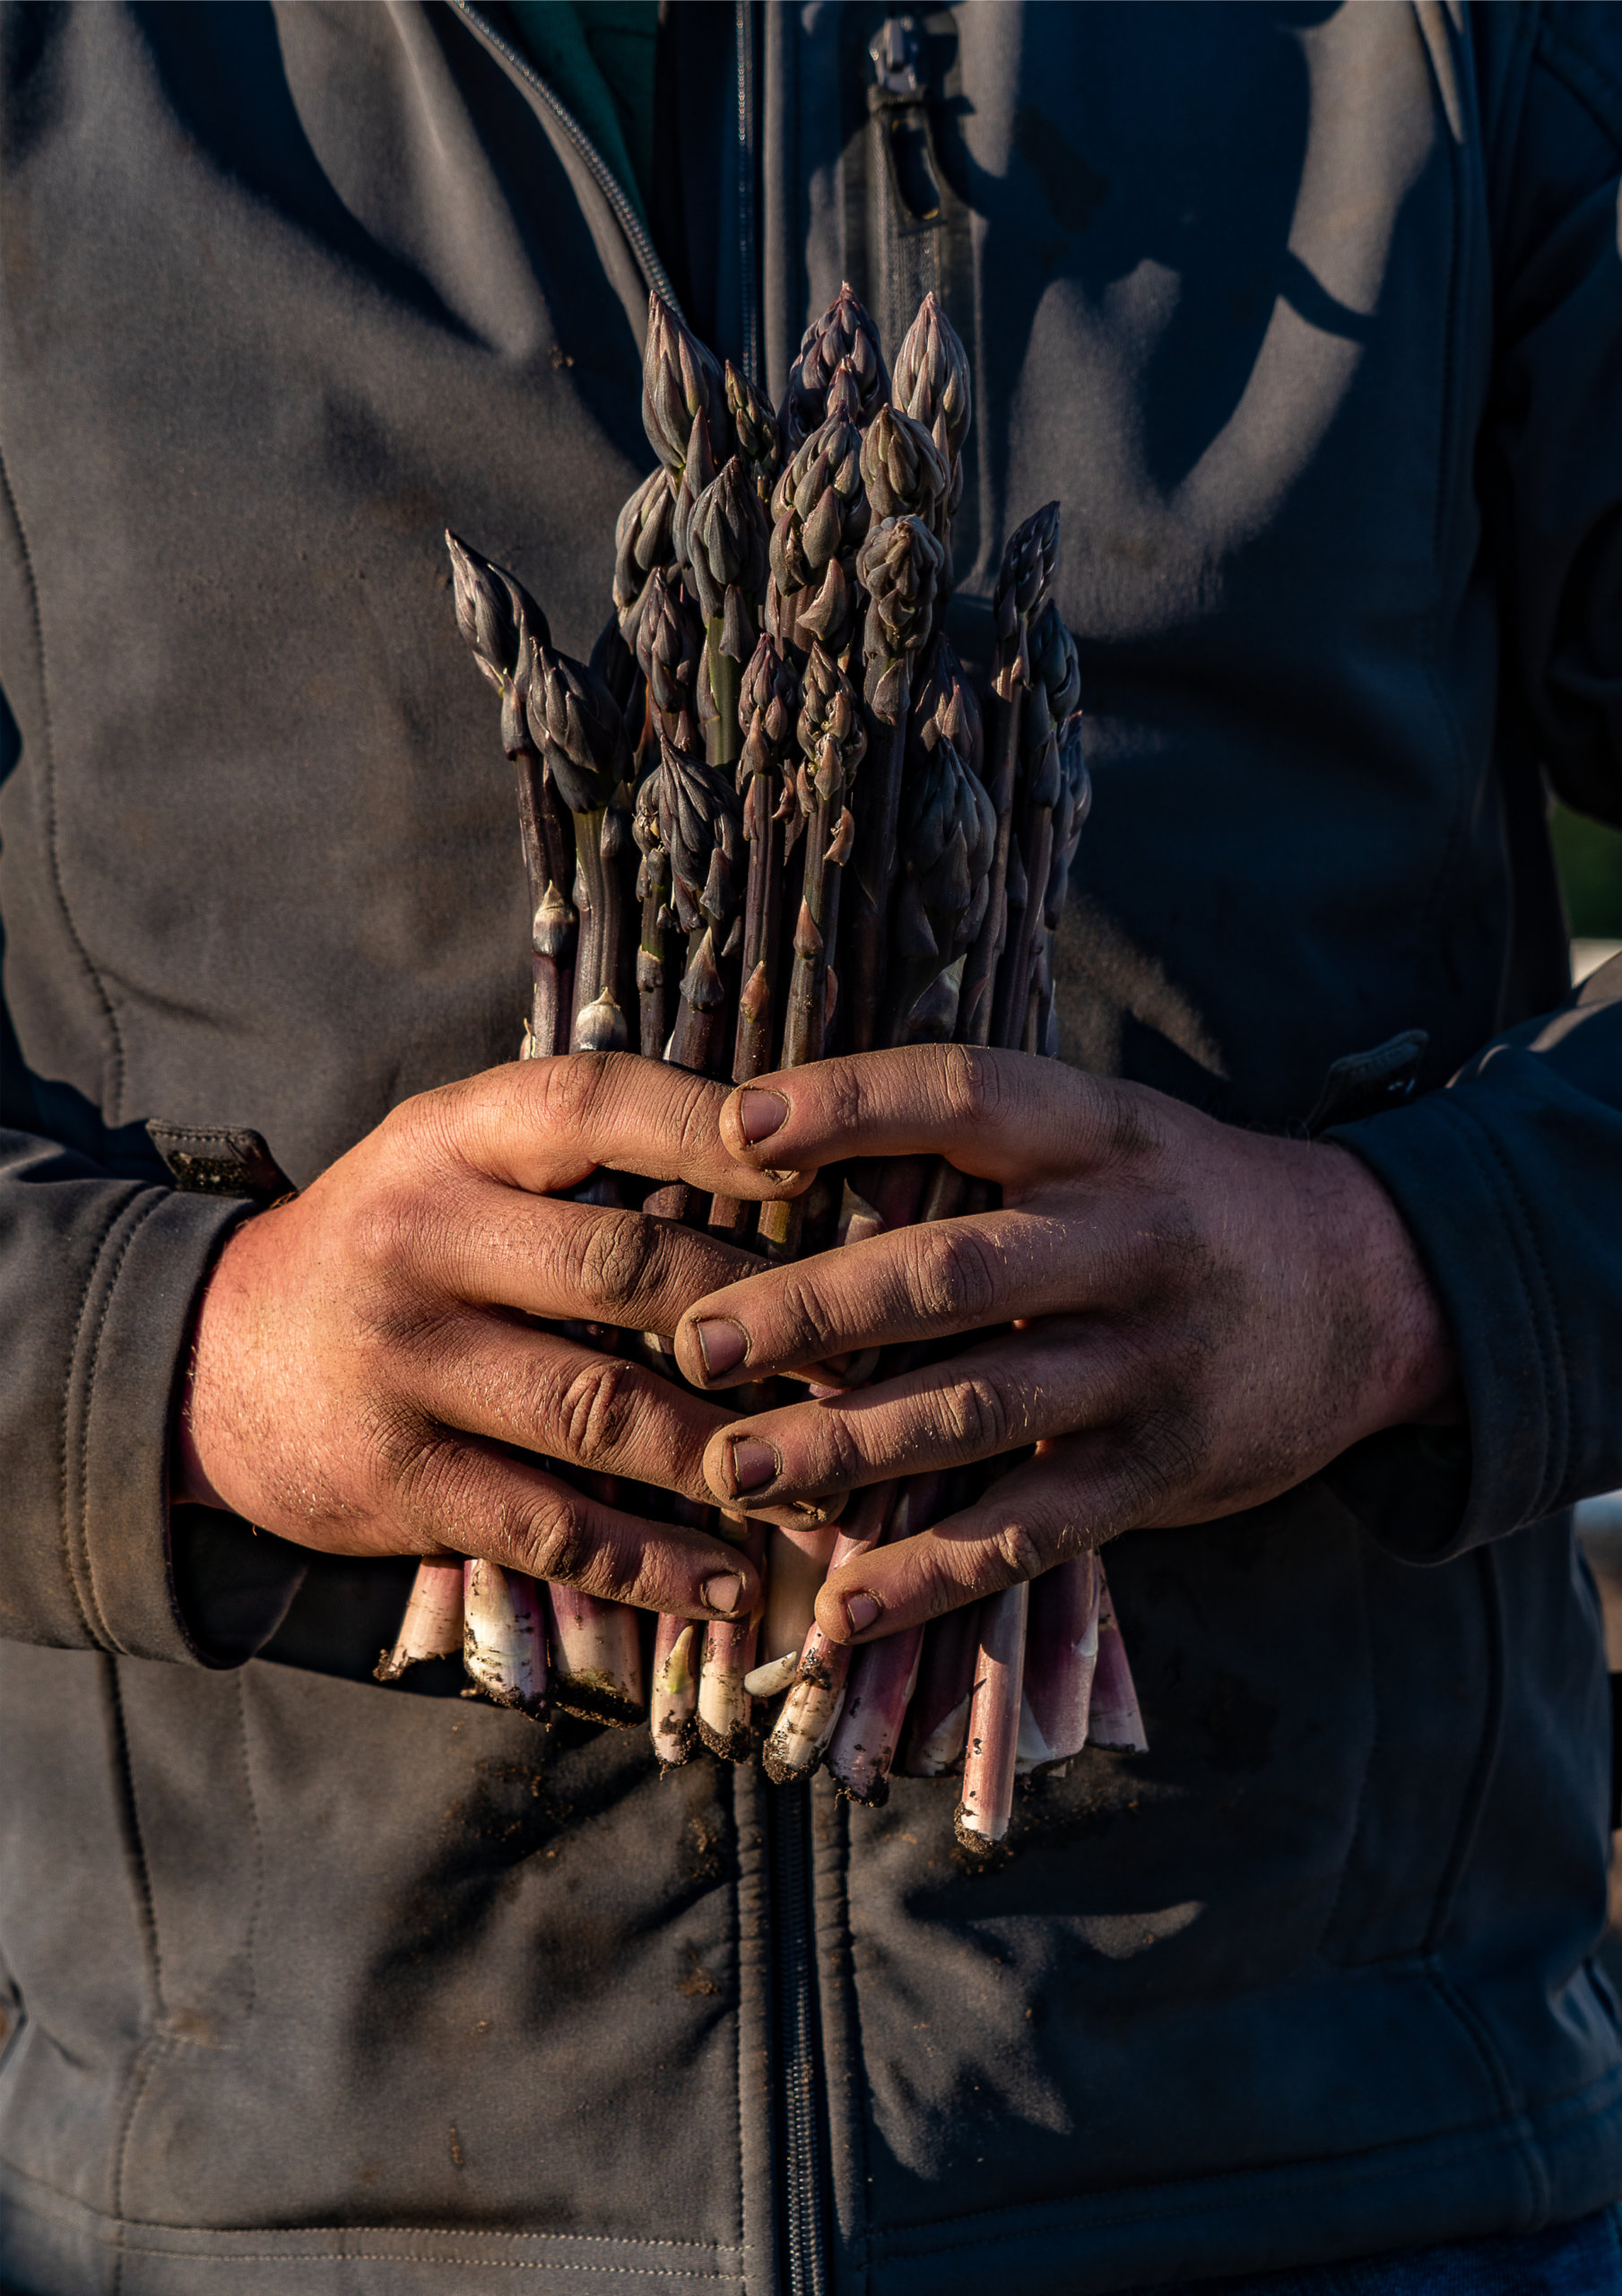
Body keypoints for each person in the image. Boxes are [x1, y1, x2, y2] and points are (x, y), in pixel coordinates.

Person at [1, 4, 1618, 2291]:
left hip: (1325, 2188)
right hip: (279, 2204)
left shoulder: (1453, 45)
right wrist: (181, 1359)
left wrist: (1394, 1279)